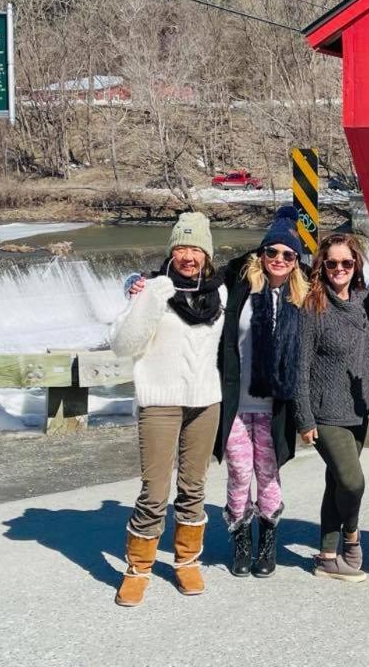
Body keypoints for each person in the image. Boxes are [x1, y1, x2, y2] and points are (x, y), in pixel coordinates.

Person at [110, 212, 225, 607]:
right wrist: (148, 300)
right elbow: (122, 344)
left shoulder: (221, 295)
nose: (188, 256)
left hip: (205, 402)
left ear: (207, 253)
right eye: (181, 247)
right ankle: (138, 568)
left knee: (193, 490)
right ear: (171, 251)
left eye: (195, 248)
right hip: (159, 401)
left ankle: (187, 561)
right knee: (154, 492)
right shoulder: (152, 289)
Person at [214, 206, 308, 579]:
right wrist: (139, 282)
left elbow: (351, 286)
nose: (279, 259)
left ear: (297, 261)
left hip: (275, 405)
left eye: (288, 254)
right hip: (237, 402)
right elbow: (198, 280)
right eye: (272, 252)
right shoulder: (238, 285)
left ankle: (267, 543)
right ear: (261, 254)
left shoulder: (302, 297)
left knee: (267, 474)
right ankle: (239, 538)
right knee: (239, 470)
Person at [295, 232, 369, 582]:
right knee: (353, 482)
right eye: (331, 263)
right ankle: (352, 535)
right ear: (321, 267)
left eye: (346, 262)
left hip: (360, 410)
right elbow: (301, 368)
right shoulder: (313, 306)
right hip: (325, 414)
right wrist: (304, 418)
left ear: (355, 264)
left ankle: (327, 556)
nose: (339, 268)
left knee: (337, 483)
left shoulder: (367, 301)